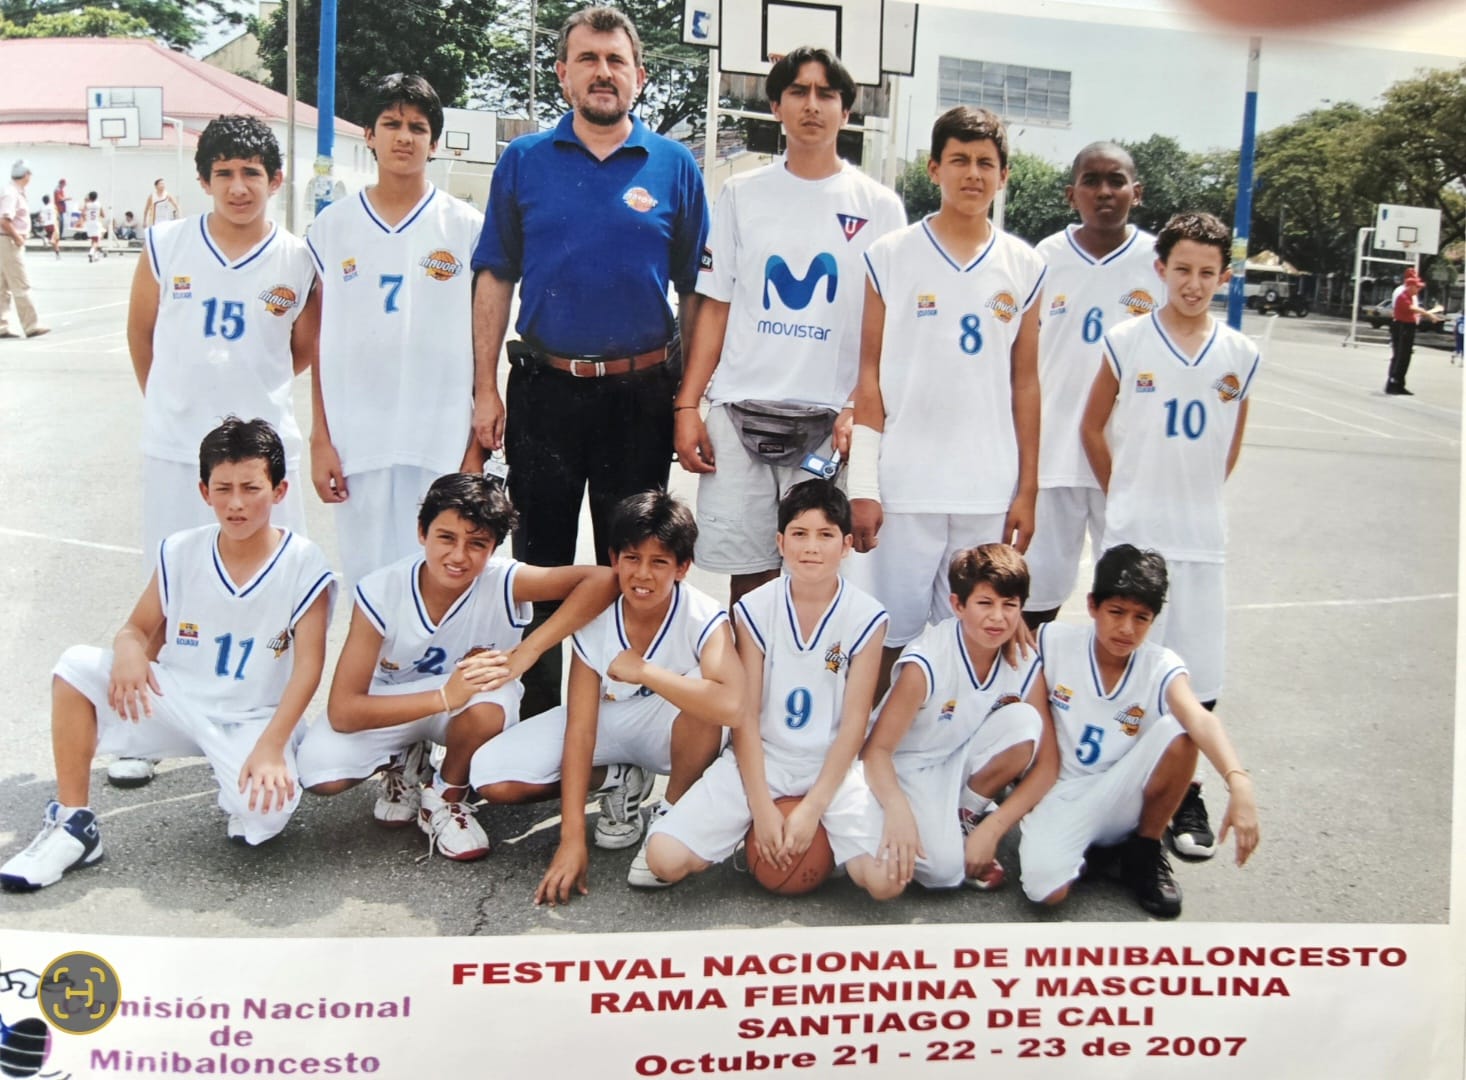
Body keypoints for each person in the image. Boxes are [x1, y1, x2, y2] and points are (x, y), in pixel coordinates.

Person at [470, 6, 710, 715]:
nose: (603, 73)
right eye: (588, 59)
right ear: (562, 73)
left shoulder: (674, 166)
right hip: (545, 389)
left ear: (639, 75)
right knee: (539, 556)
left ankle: (623, 704)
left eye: (615, 61)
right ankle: (541, 709)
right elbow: (494, 277)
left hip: (640, 396)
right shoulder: (524, 161)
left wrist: (688, 399)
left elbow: (699, 292)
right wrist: (485, 388)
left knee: (634, 558)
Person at [0, 418, 337, 892]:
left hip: (253, 717)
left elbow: (308, 668)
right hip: (179, 699)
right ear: (204, 491)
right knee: (74, 667)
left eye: (250, 488)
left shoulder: (303, 561)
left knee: (262, 814)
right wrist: (128, 649)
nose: (236, 503)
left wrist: (270, 747)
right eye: (223, 488)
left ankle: (252, 771)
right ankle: (74, 824)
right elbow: (136, 628)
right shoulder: (181, 551)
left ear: (279, 491)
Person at [119, 115, 320, 790]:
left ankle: (271, 726)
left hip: (264, 457)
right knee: (166, 584)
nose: (239, 187)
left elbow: (301, 350)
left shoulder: (298, 258)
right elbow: (142, 334)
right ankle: (144, 730)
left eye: (251, 173)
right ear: (204, 180)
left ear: (276, 180)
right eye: (225, 173)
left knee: (273, 591)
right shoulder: (166, 243)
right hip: (178, 448)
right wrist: (171, 405)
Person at [671, 47, 905, 608]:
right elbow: (716, 304)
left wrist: (858, 405)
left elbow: (889, 328)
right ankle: (748, 670)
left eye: (827, 93)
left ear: (846, 110)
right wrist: (689, 404)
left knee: (815, 580)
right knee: (748, 584)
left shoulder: (879, 207)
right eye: (798, 92)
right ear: (776, 106)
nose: (812, 105)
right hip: (740, 413)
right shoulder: (741, 193)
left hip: (829, 424)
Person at [295, 473, 619, 860]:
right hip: (401, 703)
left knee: (491, 693)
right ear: (422, 532)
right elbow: (344, 710)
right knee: (319, 771)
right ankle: (403, 758)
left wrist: (528, 651)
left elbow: (604, 580)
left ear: (494, 548)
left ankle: (446, 795)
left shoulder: (503, 580)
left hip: (468, 706)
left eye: (477, 543)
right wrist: (445, 696)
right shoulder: (382, 590)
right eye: (446, 537)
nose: (459, 556)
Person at [1079, 210, 1260, 861]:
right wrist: (1124, 493)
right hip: (1136, 536)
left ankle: (1185, 795)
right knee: (1125, 671)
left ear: (1224, 277)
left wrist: (1195, 497)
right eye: (1181, 269)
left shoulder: (1240, 355)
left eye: (1207, 272)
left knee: (1198, 681)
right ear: (1161, 269)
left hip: (1200, 540)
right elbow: (1091, 427)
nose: (1193, 282)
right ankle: (1115, 795)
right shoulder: (1128, 340)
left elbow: (1228, 449)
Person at [847, 106, 1044, 695]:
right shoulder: (890, 254)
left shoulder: (1026, 266)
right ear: (934, 169)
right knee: (887, 634)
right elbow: (868, 376)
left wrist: (1027, 490)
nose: (973, 173)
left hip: (986, 486)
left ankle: (948, 745)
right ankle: (870, 743)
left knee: (974, 639)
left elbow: (1026, 383)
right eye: (959, 160)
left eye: (986, 162)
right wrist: (863, 483)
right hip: (904, 484)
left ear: (1004, 175)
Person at [474, 490, 742, 901]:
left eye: (659, 562)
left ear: (683, 567)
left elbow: (732, 706)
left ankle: (671, 815)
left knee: (704, 698)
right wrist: (571, 838)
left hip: (669, 731)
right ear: (614, 559)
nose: (643, 574)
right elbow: (581, 730)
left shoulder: (702, 615)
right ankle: (620, 781)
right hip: (610, 722)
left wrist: (646, 671)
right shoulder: (597, 615)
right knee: (492, 776)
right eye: (632, 558)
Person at [644, 481, 889, 895]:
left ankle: (821, 837)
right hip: (763, 759)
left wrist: (812, 808)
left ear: (846, 545)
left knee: (884, 881)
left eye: (825, 535)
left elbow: (854, 726)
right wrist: (760, 806)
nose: (811, 547)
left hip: (830, 764)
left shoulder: (867, 616)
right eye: (799, 533)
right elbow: (746, 714)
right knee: (664, 858)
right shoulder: (755, 608)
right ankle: (752, 833)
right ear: (780, 542)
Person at [307, 73, 484, 588]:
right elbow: (320, 341)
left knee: (441, 581)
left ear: (435, 142)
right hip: (358, 437)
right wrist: (321, 437)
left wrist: (475, 446)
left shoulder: (466, 226)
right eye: (391, 124)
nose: (404, 137)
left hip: (439, 436)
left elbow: (484, 341)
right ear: (368, 134)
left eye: (418, 127)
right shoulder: (333, 226)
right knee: (369, 584)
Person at [1018, 545, 1259, 918]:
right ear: (1093, 605)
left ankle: (1143, 849)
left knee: (1180, 731)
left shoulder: (1159, 664)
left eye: (1141, 617)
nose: (1127, 628)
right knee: (1044, 890)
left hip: (1125, 793)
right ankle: (1098, 854)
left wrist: (1238, 782)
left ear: (1154, 619)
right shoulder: (1053, 641)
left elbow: (1201, 719)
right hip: (1063, 792)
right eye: (1116, 612)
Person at [849, 544, 1050, 899]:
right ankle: (874, 821)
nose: (998, 617)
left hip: (957, 756)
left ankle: (966, 816)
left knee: (1025, 722)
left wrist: (995, 828)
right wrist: (898, 811)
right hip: (908, 768)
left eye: (1009, 605)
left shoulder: (1022, 656)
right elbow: (875, 752)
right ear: (957, 605)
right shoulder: (927, 660)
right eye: (985, 603)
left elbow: (1048, 764)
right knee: (943, 871)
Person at [1024, 142, 1161, 628]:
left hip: (1123, 463)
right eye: (1091, 181)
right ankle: (1029, 676)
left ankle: (1118, 680)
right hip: (1052, 456)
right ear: (1071, 194)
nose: (1104, 191)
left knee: (1128, 599)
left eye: (1116, 181)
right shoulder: (1043, 258)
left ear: (1136, 192)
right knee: (1035, 598)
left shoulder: (1158, 263)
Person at [0, 160, 48, 339]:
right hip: (9, 241)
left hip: (5, 240)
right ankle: (31, 325)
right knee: (21, 284)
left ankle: (2, 325)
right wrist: (17, 237)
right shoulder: (12, 193)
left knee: (3, 286)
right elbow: (4, 220)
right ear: (26, 175)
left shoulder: (13, 191)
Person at [1385, 268, 1440, 395]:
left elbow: (1414, 310)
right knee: (1400, 356)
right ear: (1409, 285)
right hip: (1402, 326)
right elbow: (1411, 309)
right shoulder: (1402, 294)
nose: (1418, 289)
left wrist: (1426, 314)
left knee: (1405, 356)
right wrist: (1428, 314)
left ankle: (1399, 383)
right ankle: (1393, 382)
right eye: (1416, 286)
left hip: (1408, 326)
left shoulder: (1410, 295)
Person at [83, 191, 106, 261]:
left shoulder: (87, 205)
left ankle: (95, 256)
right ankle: (91, 252)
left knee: (93, 240)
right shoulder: (98, 204)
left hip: (89, 224)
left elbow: (83, 213)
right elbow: (103, 215)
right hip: (96, 223)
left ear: (89, 197)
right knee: (97, 240)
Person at [38, 193, 60, 259]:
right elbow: (57, 215)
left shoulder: (42, 208)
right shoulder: (53, 206)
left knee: (55, 241)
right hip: (53, 224)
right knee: (55, 239)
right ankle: (48, 241)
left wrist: (41, 223)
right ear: (49, 200)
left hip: (46, 225)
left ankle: (57, 254)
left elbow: (40, 218)